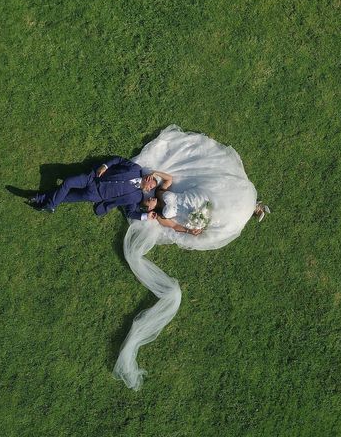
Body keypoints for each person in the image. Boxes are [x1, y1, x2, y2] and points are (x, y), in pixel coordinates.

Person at [113, 125, 263, 390]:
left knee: (224, 198)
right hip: (194, 205)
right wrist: (187, 228)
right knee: (225, 203)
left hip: (193, 202)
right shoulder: (165, 216)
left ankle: (253, 208)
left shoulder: (164, 204)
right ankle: (252, 208)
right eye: (149, 203)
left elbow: (167, 181)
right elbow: (172, 222)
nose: (150, 202)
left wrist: (159, 185)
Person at [27, 156, 158, 220]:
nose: (149, 180)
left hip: (95, 195)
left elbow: (130, 213)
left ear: (147, 190)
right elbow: (118, 160)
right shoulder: (136, 169)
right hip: (94, 178)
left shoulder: (136, 197)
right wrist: (105, 166)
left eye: (151, 185)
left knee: (66, 197)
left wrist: (146, 216)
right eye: (151, 178)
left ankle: (40, 198)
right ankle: (50, 205)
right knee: (68, 182)